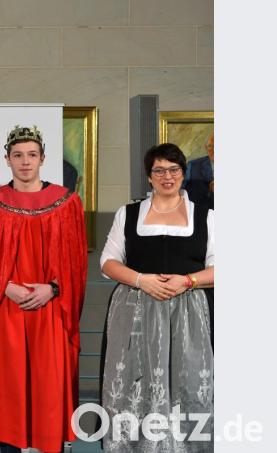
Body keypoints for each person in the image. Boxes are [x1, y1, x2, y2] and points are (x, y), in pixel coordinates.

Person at [0, 125, 87, 453]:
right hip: (5, 310)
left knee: (48, 389)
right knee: (10, 390)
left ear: (43, 159)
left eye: (31, 155)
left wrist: (52, 288)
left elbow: (77, 262)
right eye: (18, 156)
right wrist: (3, 286)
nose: (25, 162)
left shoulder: (66, 203)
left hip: (50, 310)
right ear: (7, 160)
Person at [99, 143, 214, 451]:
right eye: (159, 170)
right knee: (134, 386)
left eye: (174, 170)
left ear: (183, 173)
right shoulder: (129, 213)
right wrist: (142, 280)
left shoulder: (205, 216)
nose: (167, 176)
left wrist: (187, 281)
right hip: (135, 311)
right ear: (149, 176)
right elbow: (108, 262)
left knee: (185, 384)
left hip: (187, 316)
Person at [183, 132, 214, 209]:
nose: (214, 150)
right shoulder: (193, 165)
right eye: (210, 146)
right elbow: (182, 191)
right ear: (206, 148)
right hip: (199, 213)